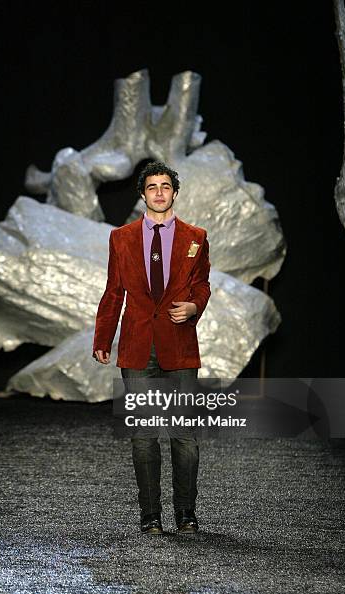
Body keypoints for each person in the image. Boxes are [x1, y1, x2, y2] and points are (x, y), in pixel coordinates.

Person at [93, 161, 211, 534]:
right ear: (143, 194)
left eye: (165, 186)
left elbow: (203, 284)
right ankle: (150, 516)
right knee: (144, 436)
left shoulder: (196, 236)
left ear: (174, 193)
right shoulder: (122, 238)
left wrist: (194, 307)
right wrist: (102, 338)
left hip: (179, 344)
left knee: (184, 435)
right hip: (138, 345)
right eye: (152, 187)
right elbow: (114, 291)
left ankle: (186, 514)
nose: (159, 192)